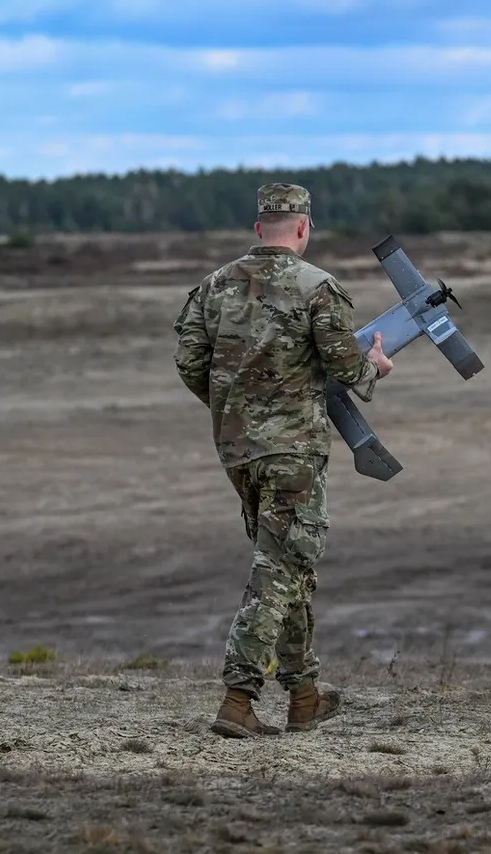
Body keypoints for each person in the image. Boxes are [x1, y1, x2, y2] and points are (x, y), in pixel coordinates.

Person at [172, 182, 393, 739]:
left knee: (287, 561)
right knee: (277, 569)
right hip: (293, 453)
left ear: (258, 230)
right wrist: (376, 369)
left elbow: (190, 362)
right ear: (302, 229)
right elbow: (346, 367)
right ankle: (238, 697)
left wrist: (235, 408)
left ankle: (304, 696)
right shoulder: (319, 288)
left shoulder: (212, 287)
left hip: (237, 450)